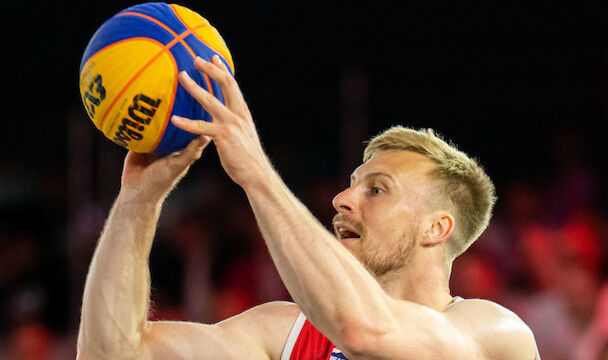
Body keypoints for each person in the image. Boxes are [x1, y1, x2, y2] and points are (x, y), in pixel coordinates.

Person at [76, 55, 539, 360]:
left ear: (436, 228)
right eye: (351, 185)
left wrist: (256, 171)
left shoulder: (495, 334)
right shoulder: (285, 333)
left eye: (377, 190)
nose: (341, 199)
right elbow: (112, 354)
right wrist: (138, 200)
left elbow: (366, 332)